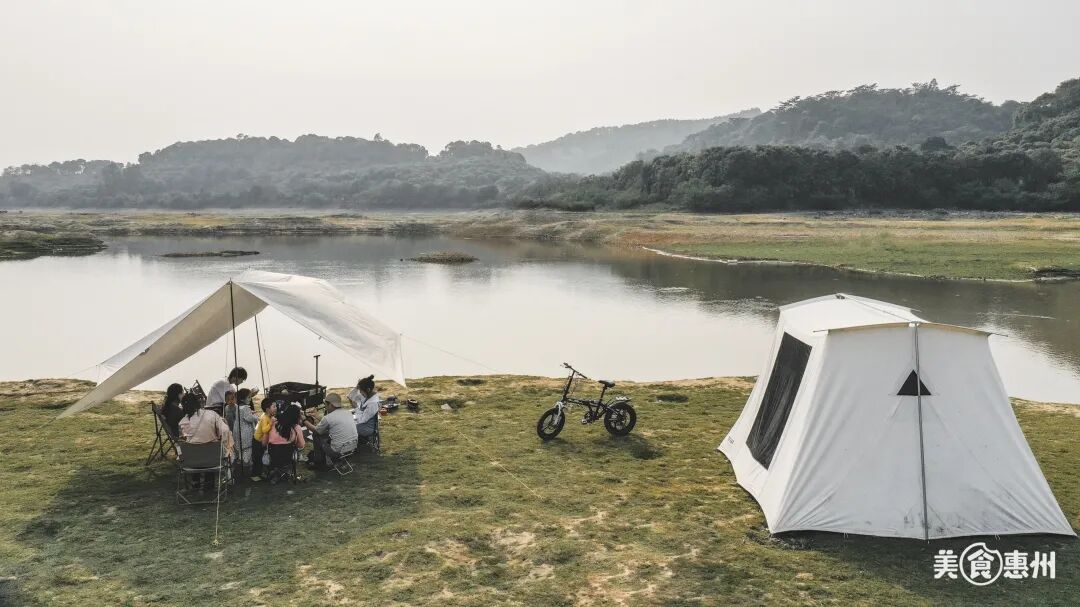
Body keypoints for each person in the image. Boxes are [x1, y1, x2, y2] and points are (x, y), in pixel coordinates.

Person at [304, 393, 358, 469]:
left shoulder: (328, 418)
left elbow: (316, 430)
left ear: (330, 405)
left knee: (316, 435)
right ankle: (326, 459)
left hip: (338, 451)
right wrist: (316, 416)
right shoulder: (348, 412)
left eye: (326, 405)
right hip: (352, 447)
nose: (325, 407)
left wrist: (304, 420)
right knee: (326, 434)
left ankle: (319, 462)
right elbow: (332, 422)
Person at [225, 388, 259, 468]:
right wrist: (255, 417)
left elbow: (243, 415)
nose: (250, 399)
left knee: (241, 449)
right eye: (249, 397)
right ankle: (246, 464)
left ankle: (240, 461)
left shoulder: (238, 407)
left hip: (237, 431)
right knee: (247, 450)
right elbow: (248, 418)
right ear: (243, 399)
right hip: (245, 432)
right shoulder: (246, 407)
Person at [348, 375, 380, 442]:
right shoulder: (367, 396)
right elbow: (350, 397)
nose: (360, 393)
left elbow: (361, 420)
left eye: (361, 391)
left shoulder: (372, 404)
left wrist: (356, 408)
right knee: (346, 424)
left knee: (346, 428)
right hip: (362, 422)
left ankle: (349, 446)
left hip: (367, 428)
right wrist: (356, 388)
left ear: (368, 390)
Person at [250, 398, 276, 482]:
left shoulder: (268, 416)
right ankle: (254, 475)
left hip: (261, 440)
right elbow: (264, 430)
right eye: (274, 407)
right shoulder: (265, 418)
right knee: (257, 459)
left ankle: (260, 473)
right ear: (268, 409)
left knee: (260, 457)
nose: (276, 408)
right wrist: (271, 423)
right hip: (257, 441)